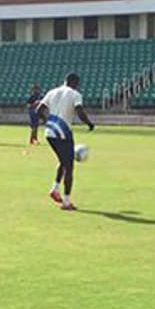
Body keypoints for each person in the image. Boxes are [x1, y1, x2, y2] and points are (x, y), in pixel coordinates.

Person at [36, 73, 95, 211]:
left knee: (63, 161)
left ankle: (55, 190)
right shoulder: (75, 94)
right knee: (69, 166)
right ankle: (66, 202)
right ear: (75, 83)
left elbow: (39, 110)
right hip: (63, 133)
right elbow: (79, 112)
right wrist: (89, 124)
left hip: (50, 133)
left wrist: (48, 122)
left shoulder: (52, 92)